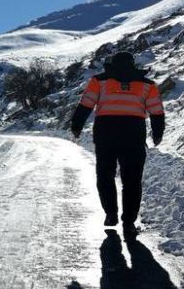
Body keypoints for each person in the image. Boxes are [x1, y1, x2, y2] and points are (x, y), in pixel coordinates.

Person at [69, 51, 165, 232]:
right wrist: (158, 133)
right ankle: (129, 221)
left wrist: (77, 125)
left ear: (112, 64)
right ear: (133, 64)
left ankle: (110, 213)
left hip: (106, 134)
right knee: (132, 180)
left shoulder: (99, 81)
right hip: (133, 134)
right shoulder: (147, 84)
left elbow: (86, 104)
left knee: (105, 176)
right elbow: (156, 111)